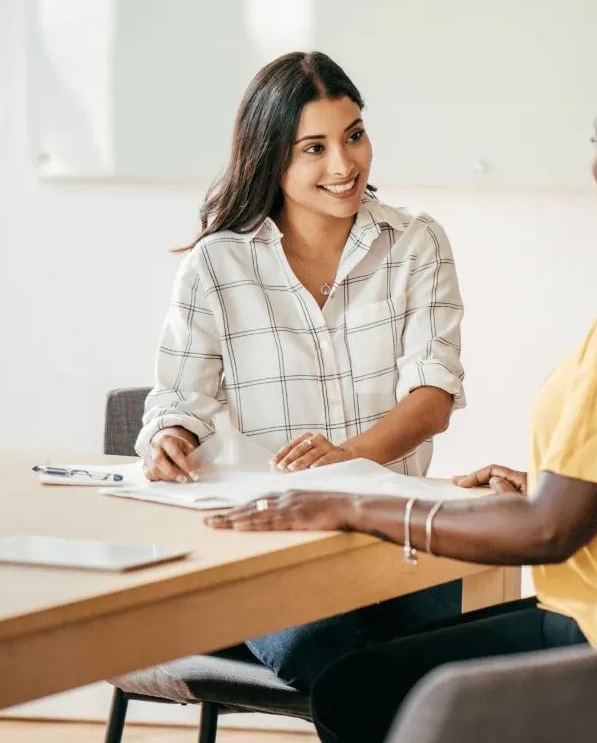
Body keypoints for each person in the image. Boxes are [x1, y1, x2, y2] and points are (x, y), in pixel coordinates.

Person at [206, 32, 597, 742]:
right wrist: (548, 485)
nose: (594, 162)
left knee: (354, 689)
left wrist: (351, 504)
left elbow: (547, 532)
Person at [135, 52, 467, 689]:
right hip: (268, 554)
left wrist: (345, 461)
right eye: (314, 148)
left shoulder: (416, 244)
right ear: (270, 159)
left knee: (453, 652)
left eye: (354, 136)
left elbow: (433, 397)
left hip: (394, 544)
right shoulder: (216, 266)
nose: (344, 165)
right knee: (346, 662)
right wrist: (169, 438)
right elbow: (177, 401)